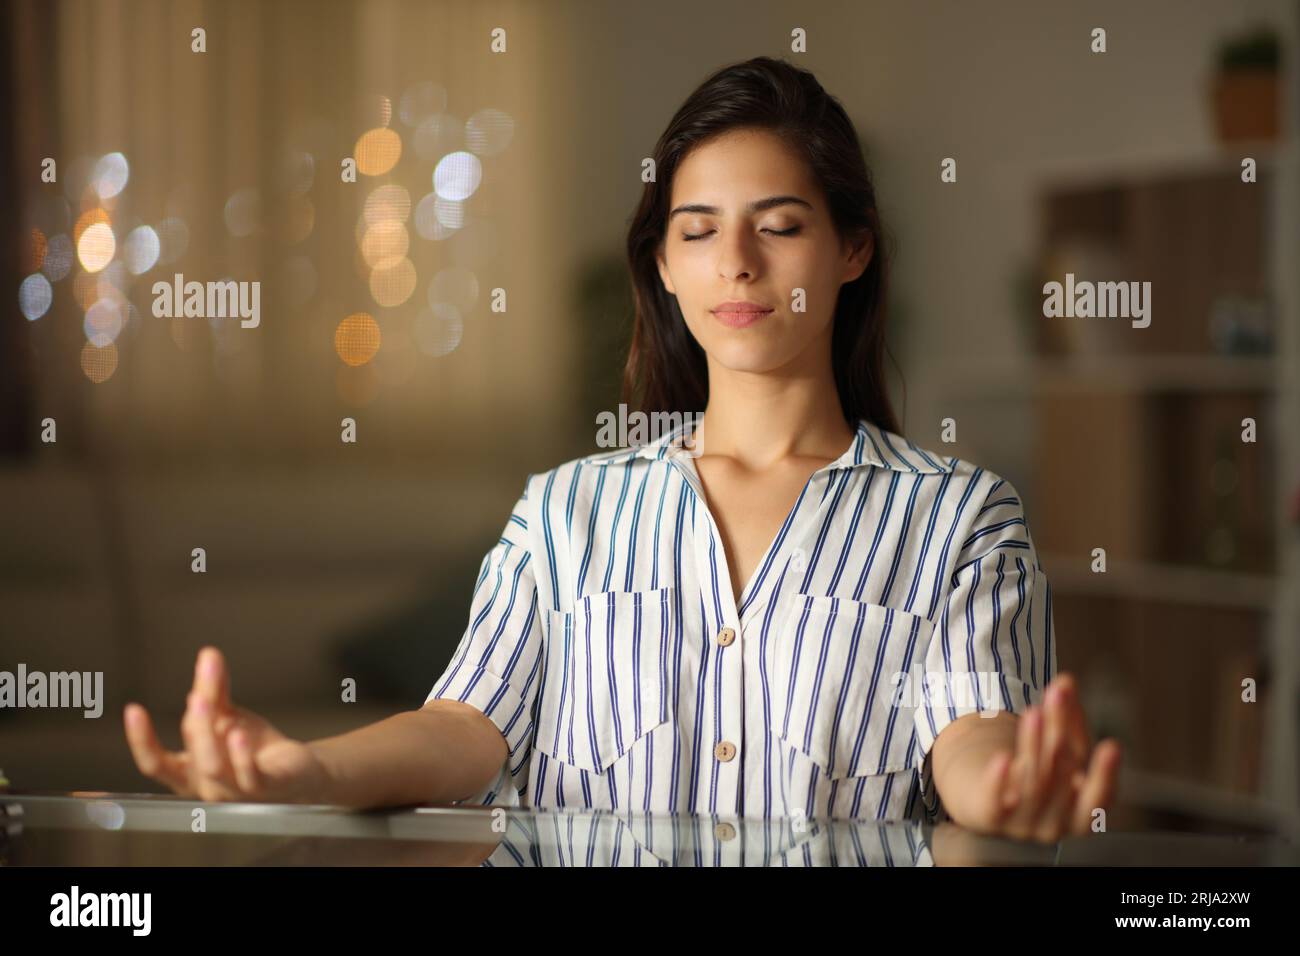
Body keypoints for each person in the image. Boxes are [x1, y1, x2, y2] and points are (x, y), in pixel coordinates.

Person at [125, 56, 1120, 844]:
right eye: (697, 231)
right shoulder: (568, 510)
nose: (736, 261)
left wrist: (1009, 786)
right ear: (662, 264)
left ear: (852, 249)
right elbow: (466, 726)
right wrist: (309, 770)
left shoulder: (956, 516)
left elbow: (971, 734)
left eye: (779, 225)